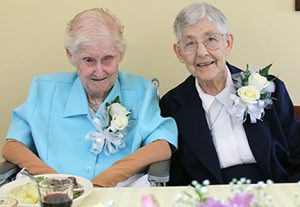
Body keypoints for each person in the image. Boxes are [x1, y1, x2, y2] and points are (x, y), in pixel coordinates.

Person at [1, 7, 177, 187]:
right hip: (54, 197)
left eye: (108, 58)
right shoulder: (44, 90)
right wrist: (55, 181)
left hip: (116, 194)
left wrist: (108, 177)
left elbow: (163, 144)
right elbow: (12, 145)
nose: (99, 71)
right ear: (71, 56)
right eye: (89, 60)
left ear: (121, 54)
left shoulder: (141, 90)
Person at [160, 2, 300, 185]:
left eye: (211, 39)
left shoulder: (269, 88)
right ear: (179, 52)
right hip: (209, 198)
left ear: (228, 43)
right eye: (190, 43)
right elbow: (176, 177)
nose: (202, 52)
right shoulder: (172, 105)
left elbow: (297, 153)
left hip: (274, 190)